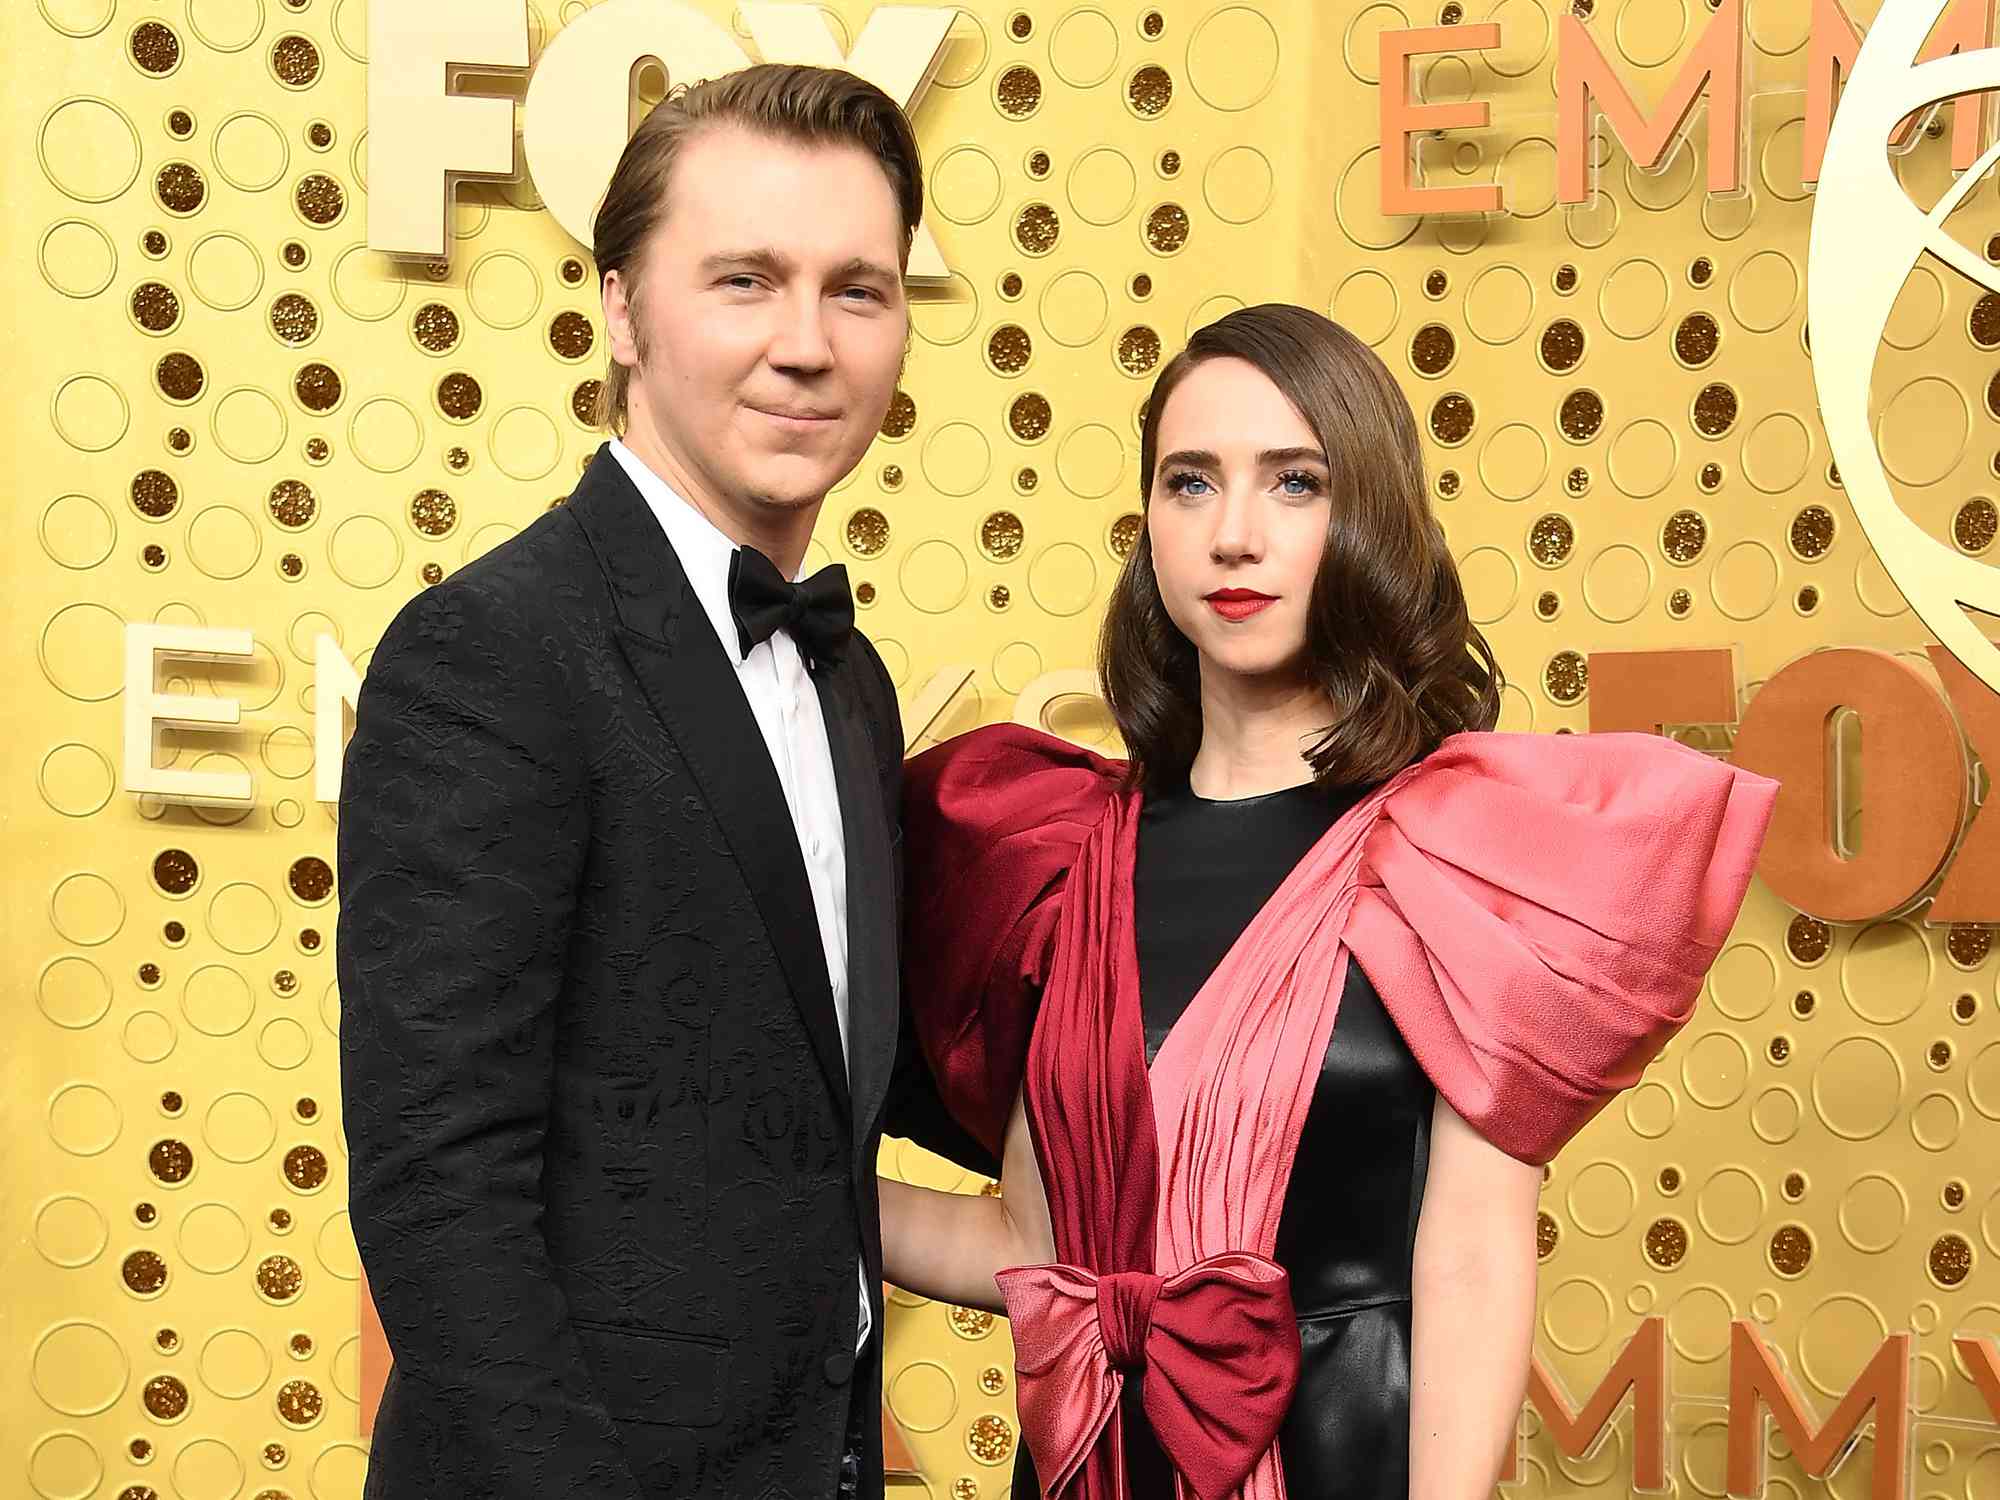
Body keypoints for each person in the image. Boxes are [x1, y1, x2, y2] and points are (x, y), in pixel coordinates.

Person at [879, 304, 1778, 1500]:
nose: (1233, 536)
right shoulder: (1059, 863)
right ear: (1146, 523)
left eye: (1292, 483)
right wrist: (753, 1181)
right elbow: (1028, 1249)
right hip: (1093, 1466)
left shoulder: (1451, 853)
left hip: (1348, 1461)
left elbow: (1467, 1256)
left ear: (1365, 517)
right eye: (1188, 483)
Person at [339, 64, 979, 1500]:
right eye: (743, 281)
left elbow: (811, 1095)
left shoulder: (846, 679)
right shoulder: (490, 653)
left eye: (857, 291)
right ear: (621, 308)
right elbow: (441, 1196)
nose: (806, 346)